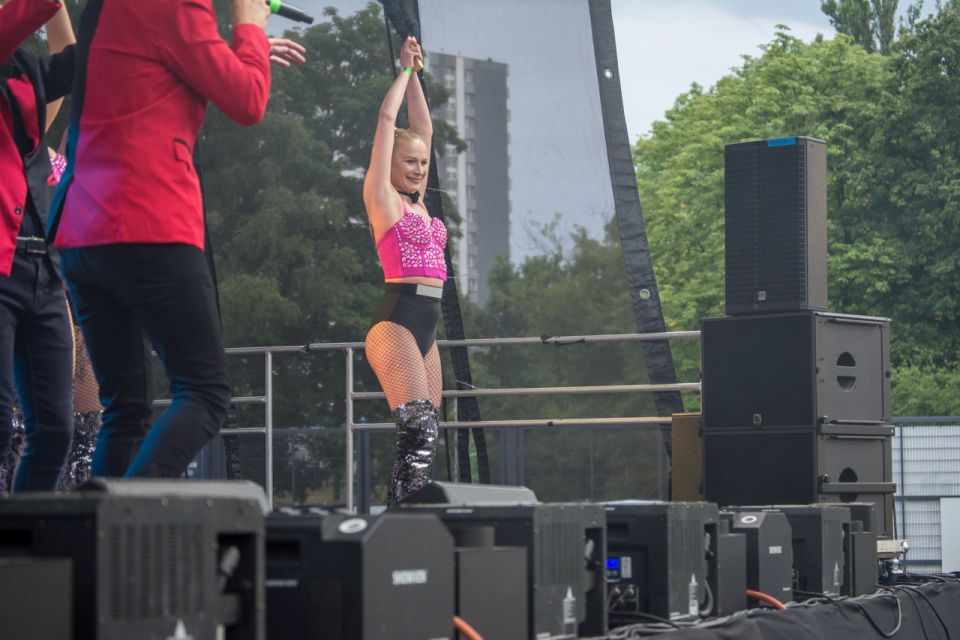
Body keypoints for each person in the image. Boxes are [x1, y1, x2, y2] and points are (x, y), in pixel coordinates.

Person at [49, 0, 299, 479]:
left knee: (124, 409)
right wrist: (247, 26)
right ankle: (130, 517)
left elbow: (156, 68)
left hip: (83, 230)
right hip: (147, 220)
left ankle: (101, 523)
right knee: (205, 390)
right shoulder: (178, 4)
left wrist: (242, 48)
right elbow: (248, 100)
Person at [364, 36, 447, 505]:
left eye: (422, 163)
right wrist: (401, 72)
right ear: (390, 165)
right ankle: (398, 524)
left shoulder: (420, 204)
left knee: (427, 435)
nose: (418, 169)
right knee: (417, 426)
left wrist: (417, 73)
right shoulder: (384, 199)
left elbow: (424, 128)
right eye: (409, 162)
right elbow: (386, 120)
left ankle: (412, 519)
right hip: (397, 319)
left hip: (427, 327)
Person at [0, 0, 76, 492]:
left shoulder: (23, 71)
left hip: (43, 269)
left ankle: (25, 532)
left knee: (54, 432)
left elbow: (73, 63)